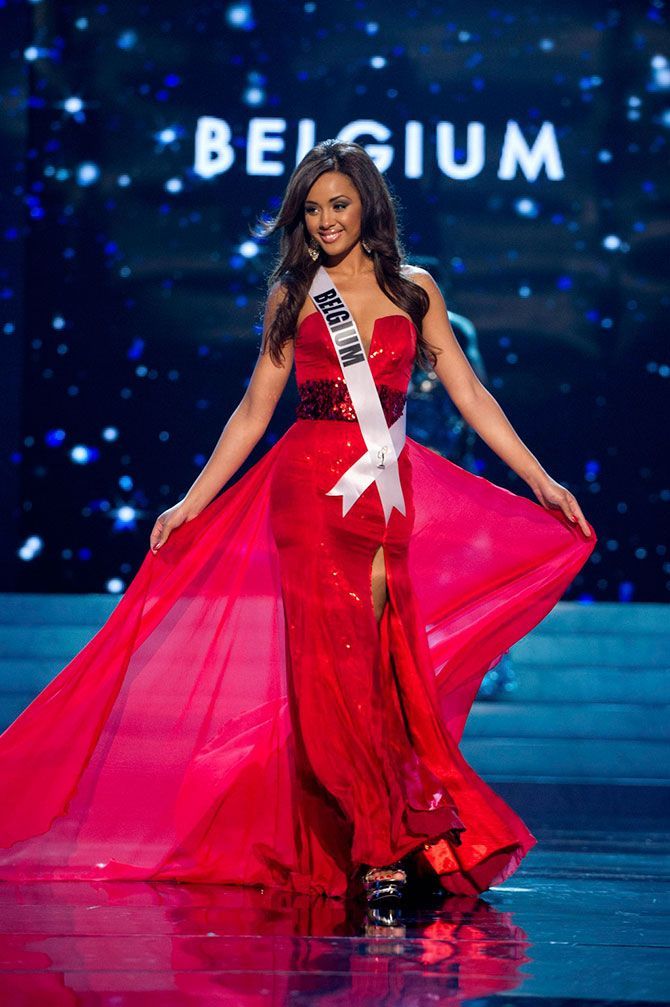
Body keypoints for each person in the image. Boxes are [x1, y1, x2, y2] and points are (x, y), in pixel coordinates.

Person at [0, 140, 595, 914]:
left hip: (385, 494)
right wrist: (191, 500)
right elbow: (254, 410)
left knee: (379, 674)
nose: (324, 221)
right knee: (331, 676)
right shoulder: (295, 293)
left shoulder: (416, 291)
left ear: (368, 206)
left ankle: (382, 828)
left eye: (338, 204)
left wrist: (540, 479)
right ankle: (379, 850)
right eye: (312, 209)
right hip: (311, 492)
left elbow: (471, 393)